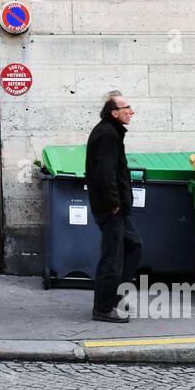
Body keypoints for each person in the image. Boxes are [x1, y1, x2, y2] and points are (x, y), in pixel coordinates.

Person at [84, 90, 145, 323]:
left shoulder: (112, 132)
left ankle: (118, 295)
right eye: (126, 107)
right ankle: (102, 308)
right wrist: (114, 204)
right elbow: (104, 173)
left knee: (134, 245)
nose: (131, 111)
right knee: (112, 257)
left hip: (118, 207)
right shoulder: (108, 135)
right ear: (114, 113)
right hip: (111, 208)